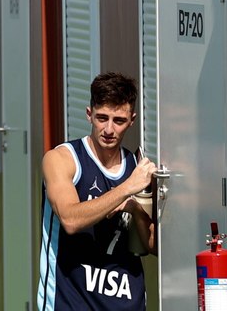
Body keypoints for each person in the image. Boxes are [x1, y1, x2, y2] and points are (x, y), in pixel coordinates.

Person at [37, 72, 157, 311]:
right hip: (70, 302)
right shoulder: (62, 159)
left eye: (119, 120)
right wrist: (125, 190)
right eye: (102, 118)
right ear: (89, 114)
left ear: (132, 120)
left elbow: (153, 248)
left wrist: (136, 210)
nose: (109, 129)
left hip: (126, 301)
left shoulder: (136, 168)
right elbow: (70, 220)